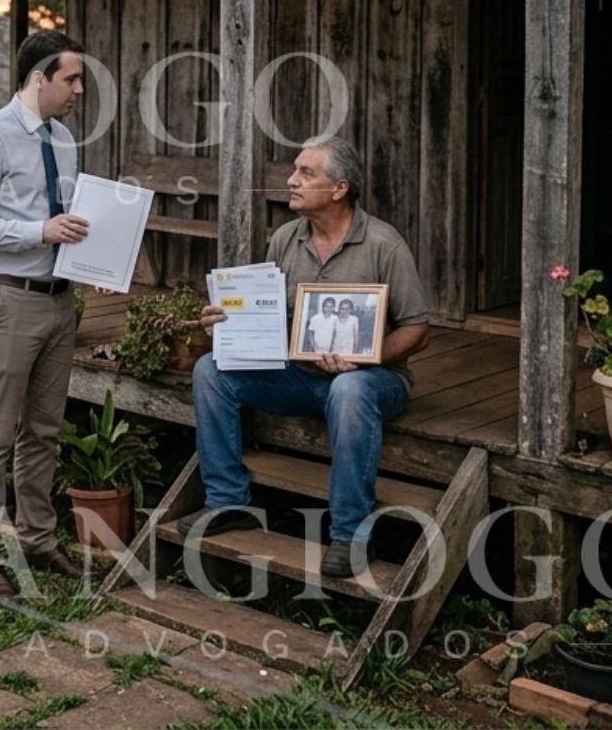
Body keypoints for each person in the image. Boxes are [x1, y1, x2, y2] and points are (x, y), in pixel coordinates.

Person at [184, 135, 430, 579]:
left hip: (374, 381)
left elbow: (417, 329)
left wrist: (366, 359)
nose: (291, 181)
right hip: (300, 378)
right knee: (211, 369)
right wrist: (227, 320)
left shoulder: (383, 244)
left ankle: (351, 534)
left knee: (349, 389)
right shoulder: (285, 238)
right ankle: (227, 503)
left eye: (305, 173)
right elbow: (268, 316)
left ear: (339, 188)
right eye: (295, 171)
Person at [0, 29, 91, 601]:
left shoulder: (64, 140)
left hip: (59, 302)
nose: (79, 89)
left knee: (43, 433)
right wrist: (38, 231)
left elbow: (68, 218)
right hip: (6, 301)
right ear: (40, 79)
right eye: (71, 79)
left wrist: (96, 262)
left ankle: (38, 538)